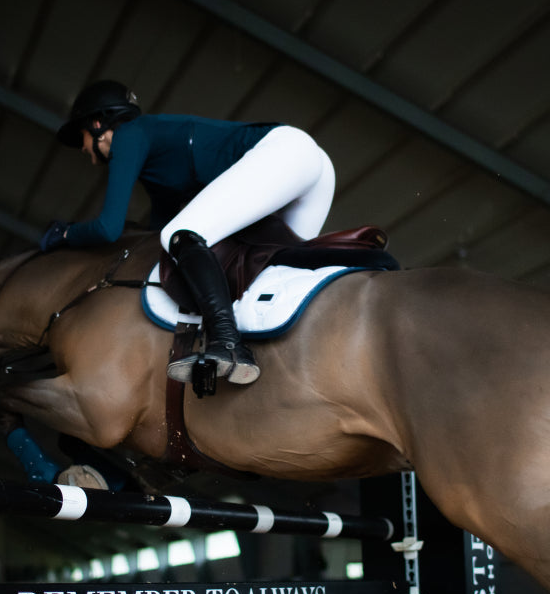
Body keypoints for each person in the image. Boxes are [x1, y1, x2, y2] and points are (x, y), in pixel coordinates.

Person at [40, 80, 336, 387]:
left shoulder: (129, 135)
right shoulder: (154, 158)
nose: (86, 150)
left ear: (98, 124)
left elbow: (108, 228)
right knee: (274, 274)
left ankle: (227, 341)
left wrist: (65, 235)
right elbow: (155, 232)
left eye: (83, 138)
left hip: (284, 153)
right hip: (313, 165)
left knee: (180, 233)